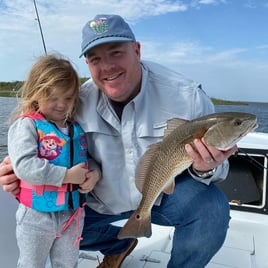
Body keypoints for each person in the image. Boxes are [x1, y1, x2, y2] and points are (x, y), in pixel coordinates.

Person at [0, 15, 237, 268]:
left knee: (211, 210)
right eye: (95, 59)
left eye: (116, 52)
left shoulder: (187, 96)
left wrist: (206, 167)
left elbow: (218, 171)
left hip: (161, 197)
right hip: (99, 202)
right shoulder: (75, 102)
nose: (107, 67)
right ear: (88, 64)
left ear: (136, 50)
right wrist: (15, 168)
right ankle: (119, 244)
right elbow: (57, 145)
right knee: (49, 226)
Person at [6, 54, 100, 268]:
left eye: (67, 98)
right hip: (36, 217)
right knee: (31, 264)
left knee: (67, 264)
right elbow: (24, 166)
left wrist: (95, 175)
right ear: (36, 94)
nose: (61, 105)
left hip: (72, 215)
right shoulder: (26, 126)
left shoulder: (76, 128)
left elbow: (89, 159)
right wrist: (66, 176)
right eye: (53, 98)